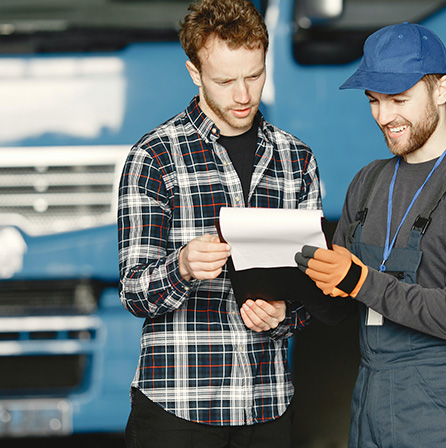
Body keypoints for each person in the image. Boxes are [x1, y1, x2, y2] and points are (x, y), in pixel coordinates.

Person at [295, 22, 446, 447]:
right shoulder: (368, 182)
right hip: (371, 405)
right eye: (374, 101)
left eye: (399, 99)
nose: (384, 117)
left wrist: (360, 280)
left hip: (445, 415)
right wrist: (292, 284)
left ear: (441, 90)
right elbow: (340, 306)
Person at [117, 0, 322, 446]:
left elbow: (315, 288)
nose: (244, 95)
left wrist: (285, 315)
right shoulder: (154, 158)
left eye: (254, 75)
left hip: (267, 405)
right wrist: (183, 266)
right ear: (195, 73)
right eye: (226, 81)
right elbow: (133, 292)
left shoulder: (296, 160)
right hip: (177, 408)